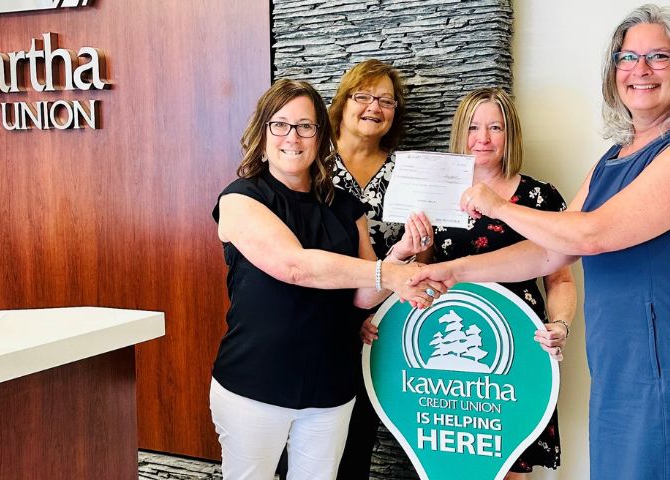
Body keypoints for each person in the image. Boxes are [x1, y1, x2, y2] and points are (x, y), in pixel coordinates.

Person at [407, 5, 670, 479]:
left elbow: (594, 234)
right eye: (627, 57)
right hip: (618, 368)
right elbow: (552, 250)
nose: (640, 70)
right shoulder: (613, 158)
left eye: (658, 56)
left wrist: (500, 206)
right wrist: (451, 270)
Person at [210, 78, 441, 480]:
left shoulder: (346, 207)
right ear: (262, 133)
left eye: (305, 126)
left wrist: (400, 254)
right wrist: (390, 272)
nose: (292, 137)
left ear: (320, 137)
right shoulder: (241, 198)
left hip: (331, 385)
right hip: (255, 381)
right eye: (280, 125)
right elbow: (294, 266)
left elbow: (363, 296)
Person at [386, 87, 577, 478]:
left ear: (511, 134)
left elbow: (560, 277)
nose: (483, 138)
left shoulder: (540, 198)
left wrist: (560, 324)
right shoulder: (436, 195)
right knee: (450, 464)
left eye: (495, 127)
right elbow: (421, 272)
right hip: (443, 355)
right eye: (473, 127)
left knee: (511, 464)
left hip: (519, 348)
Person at [327, 59, 434, 480]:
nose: (374, 107)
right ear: (342, 103)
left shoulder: (407, 172)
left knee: (357, 438)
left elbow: (423, 254)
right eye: (363, 96)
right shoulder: (311, 162)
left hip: (379, 321)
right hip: (318, 315)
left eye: (386, 101)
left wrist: (386, 311)